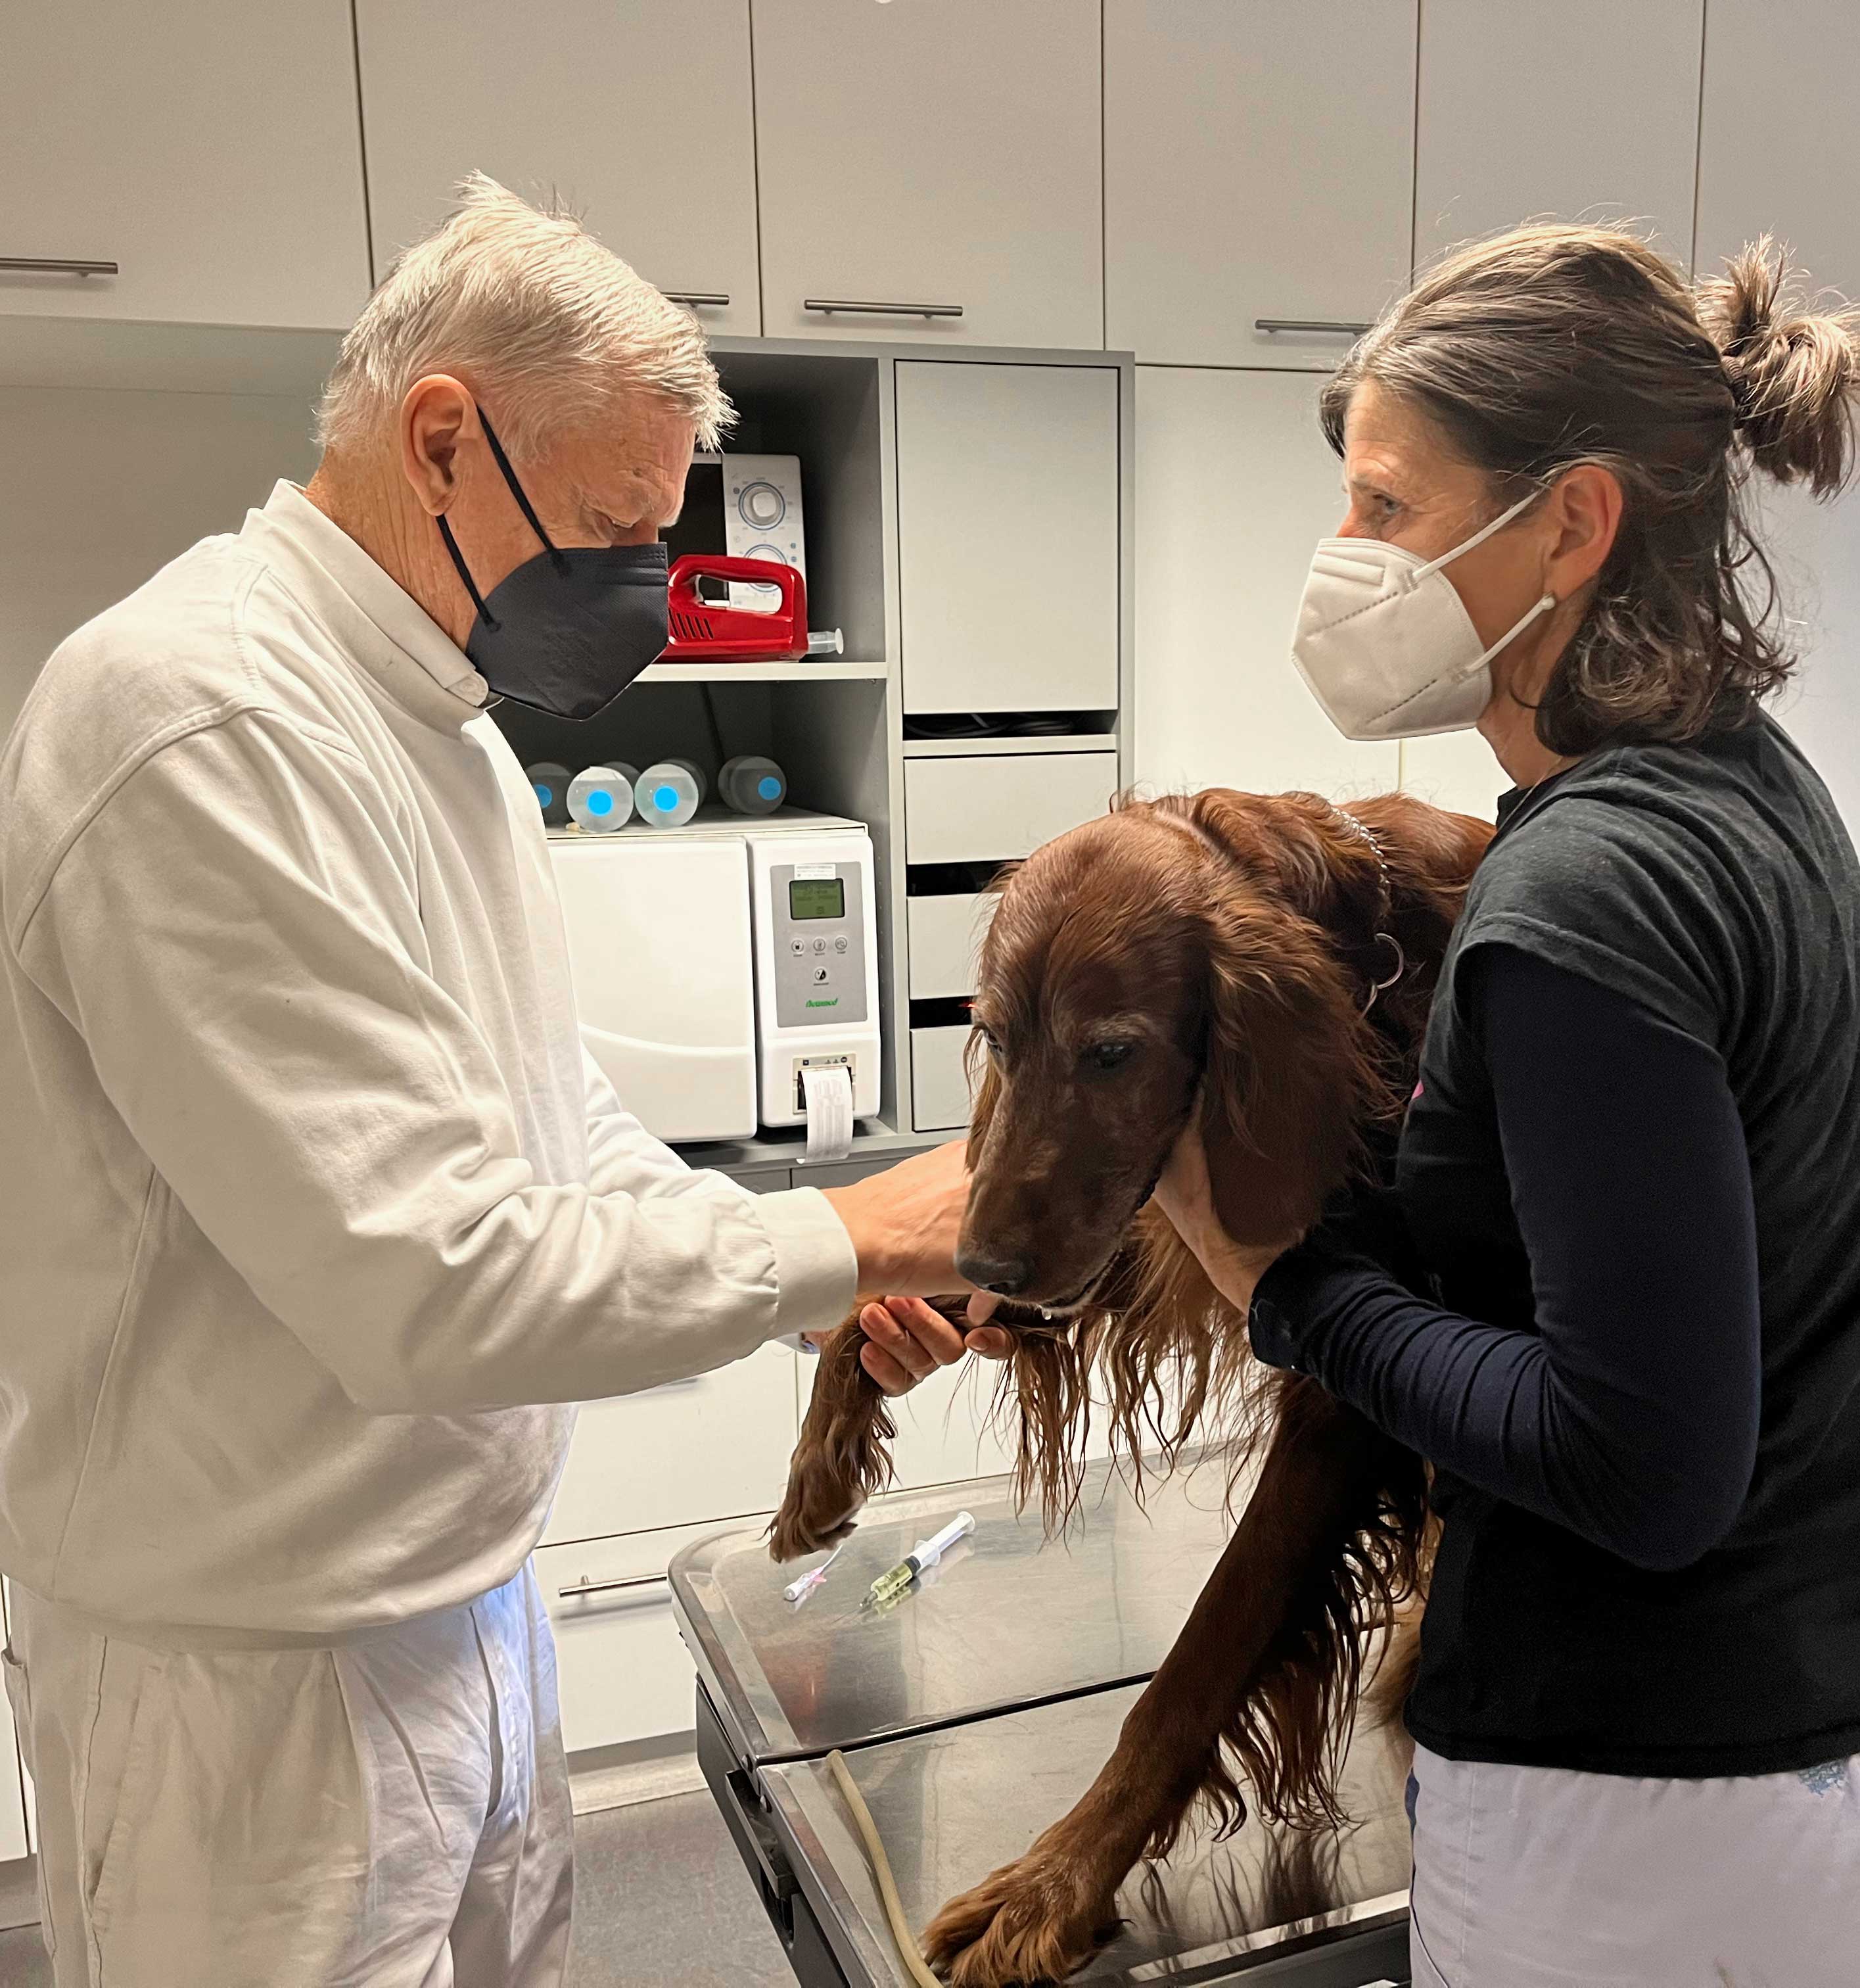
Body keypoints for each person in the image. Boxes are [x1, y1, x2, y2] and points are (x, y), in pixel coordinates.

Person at [0, 175, 1002, 1987]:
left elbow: (558, 1124)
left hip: (458, 1599)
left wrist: (808, 1269)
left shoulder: (437, 724)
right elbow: (429, 1284)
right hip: (259, 1685)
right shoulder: (201, 724)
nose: (641, 593)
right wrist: (839, 1240)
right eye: (615, 530)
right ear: (442, 437)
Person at [1155, 226, 1860, 1985]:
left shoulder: (1582, 903)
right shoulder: (1749, 793)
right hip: (1777, 1744)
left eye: (1387, 508)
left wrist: (1291, 1290)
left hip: (1624, 1812)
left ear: (1572, 523)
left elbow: (1640, 1465)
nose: (1342, 557)